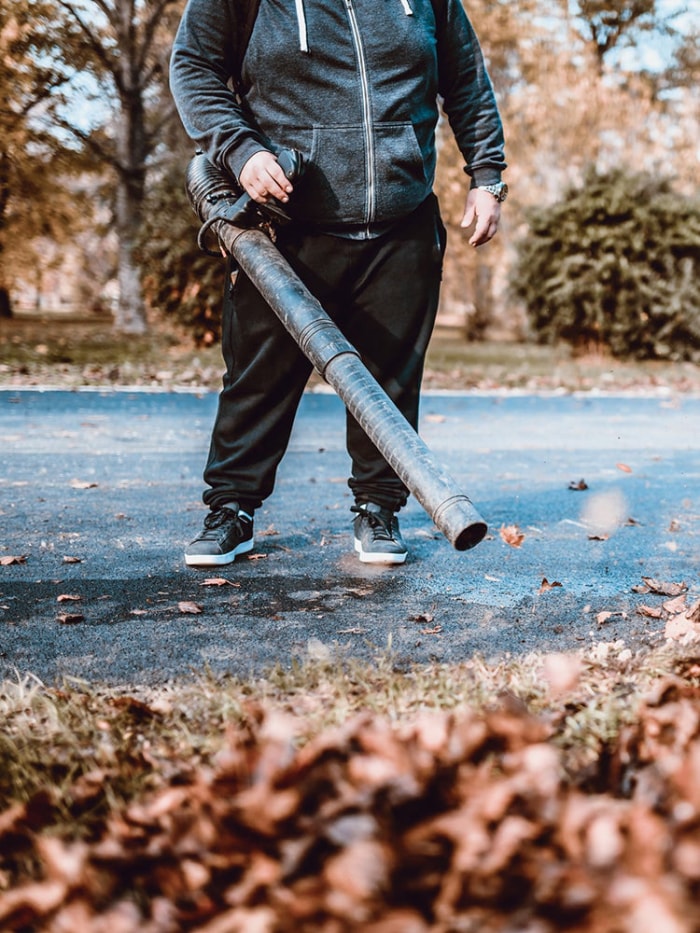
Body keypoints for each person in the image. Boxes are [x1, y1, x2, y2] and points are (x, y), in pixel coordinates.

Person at [169, 0, 507, 568]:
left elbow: (467, 79)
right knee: (258, 378)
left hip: (402, 223)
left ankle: (378, 508)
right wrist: (240, 148)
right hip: (284, 226)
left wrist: (487, 176)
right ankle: (232, 509)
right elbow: (193, 66)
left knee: (390, 379)